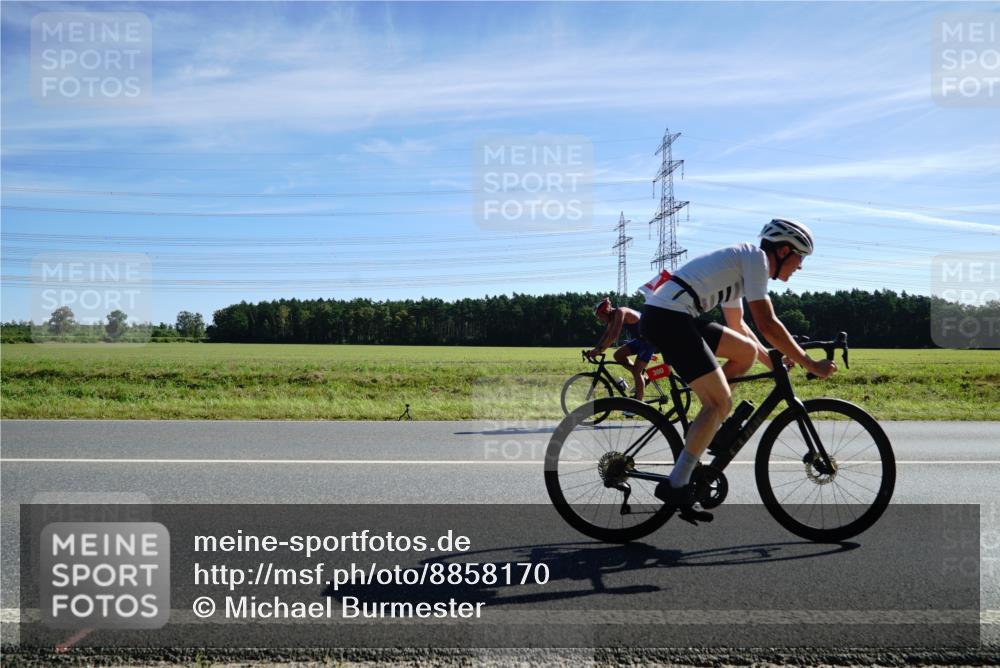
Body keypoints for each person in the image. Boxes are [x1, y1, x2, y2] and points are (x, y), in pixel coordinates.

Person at [638, 219, 837, 510]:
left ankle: (707, 418)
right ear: (783, 251)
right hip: (668, 318)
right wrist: (809, 363)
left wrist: (772, 362)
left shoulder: (744, 266)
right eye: (800, 257)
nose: (801, 266)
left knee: (744, 353)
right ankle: (677, 483)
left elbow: (739, 326)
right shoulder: (755, 259)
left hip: (677, 317)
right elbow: (767, 323)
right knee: (721, 403)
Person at [586, 297, 657, 401]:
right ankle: (641, 379)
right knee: (618, 355)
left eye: (600, 316)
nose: (600, 319)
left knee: (637, 371)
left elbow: (614, 335)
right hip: (641, 340)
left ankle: (639, 404)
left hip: (650, 340)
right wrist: (595, 349)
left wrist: (600, 350)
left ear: (606, 311)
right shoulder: (612, 317)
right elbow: (606, 335)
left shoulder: (620, 312)